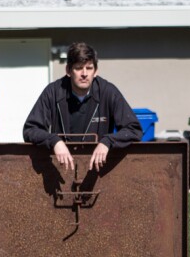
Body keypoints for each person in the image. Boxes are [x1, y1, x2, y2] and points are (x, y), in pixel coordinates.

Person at [23, 42, 142, 172]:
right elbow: (30, 129)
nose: (84, 74)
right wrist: (54, 141)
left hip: (97, 171)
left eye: (89, 68)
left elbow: (133, 129)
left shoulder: (108, 92)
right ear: (68, 70)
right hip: (61, 169)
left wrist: (108, 141)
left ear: (95, 71)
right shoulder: (53, 92)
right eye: (79, 68)